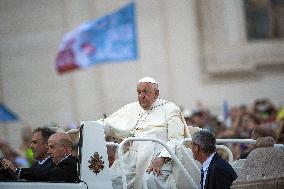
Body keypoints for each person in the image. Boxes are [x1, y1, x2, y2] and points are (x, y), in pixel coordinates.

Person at [97, 76, 200, 189]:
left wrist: (161, 159)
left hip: (158, 158)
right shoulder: (132, 108)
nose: (142, 96)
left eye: (146, 92)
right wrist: (88, 128)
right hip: (131, 159)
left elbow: (176, 139)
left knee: (148, 181)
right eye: (139, 92)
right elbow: (108, 124)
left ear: (156, 93)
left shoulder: (170, 109)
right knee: (111, 180)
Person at [1, 132, 78, 182]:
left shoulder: (69, 163)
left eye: (52, 147)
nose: (48, 151)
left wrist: (18, 171)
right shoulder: (61, 163)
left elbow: (47, 174)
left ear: (64, 149)